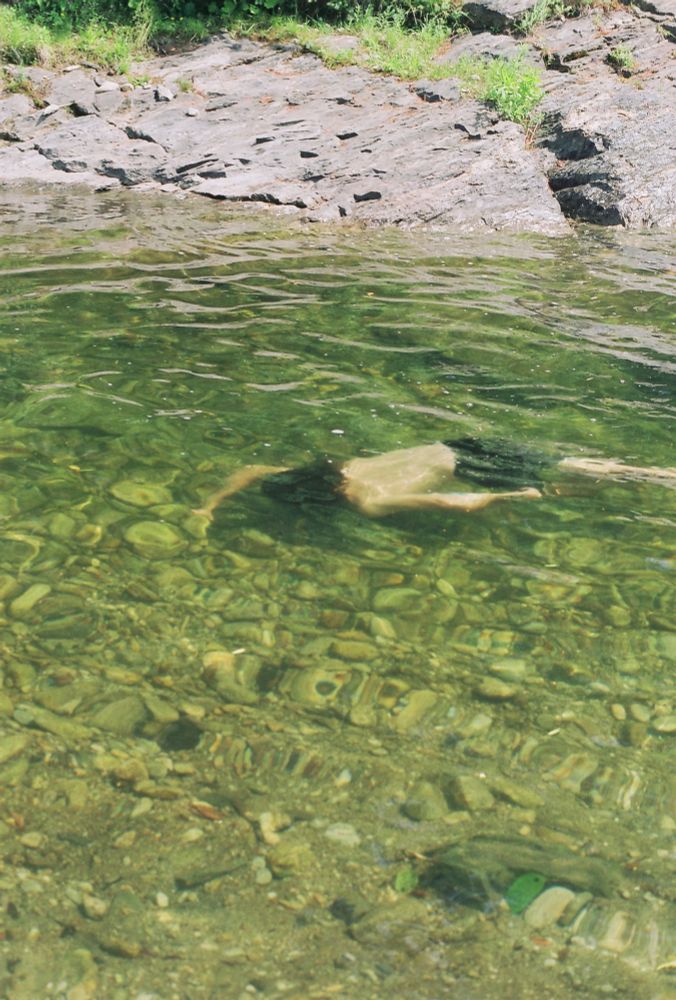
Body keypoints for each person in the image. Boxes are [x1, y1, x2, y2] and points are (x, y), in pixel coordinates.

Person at [192, 438, 676, 521]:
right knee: (568, 460)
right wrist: (211, 503)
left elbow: (454, 504)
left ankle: (656, 477)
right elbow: (253, 470)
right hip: (459, 443)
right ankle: (657, 473)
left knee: (556, 475)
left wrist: (512, 496)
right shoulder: (341, 468)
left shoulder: (367, 500)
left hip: (469, 469)